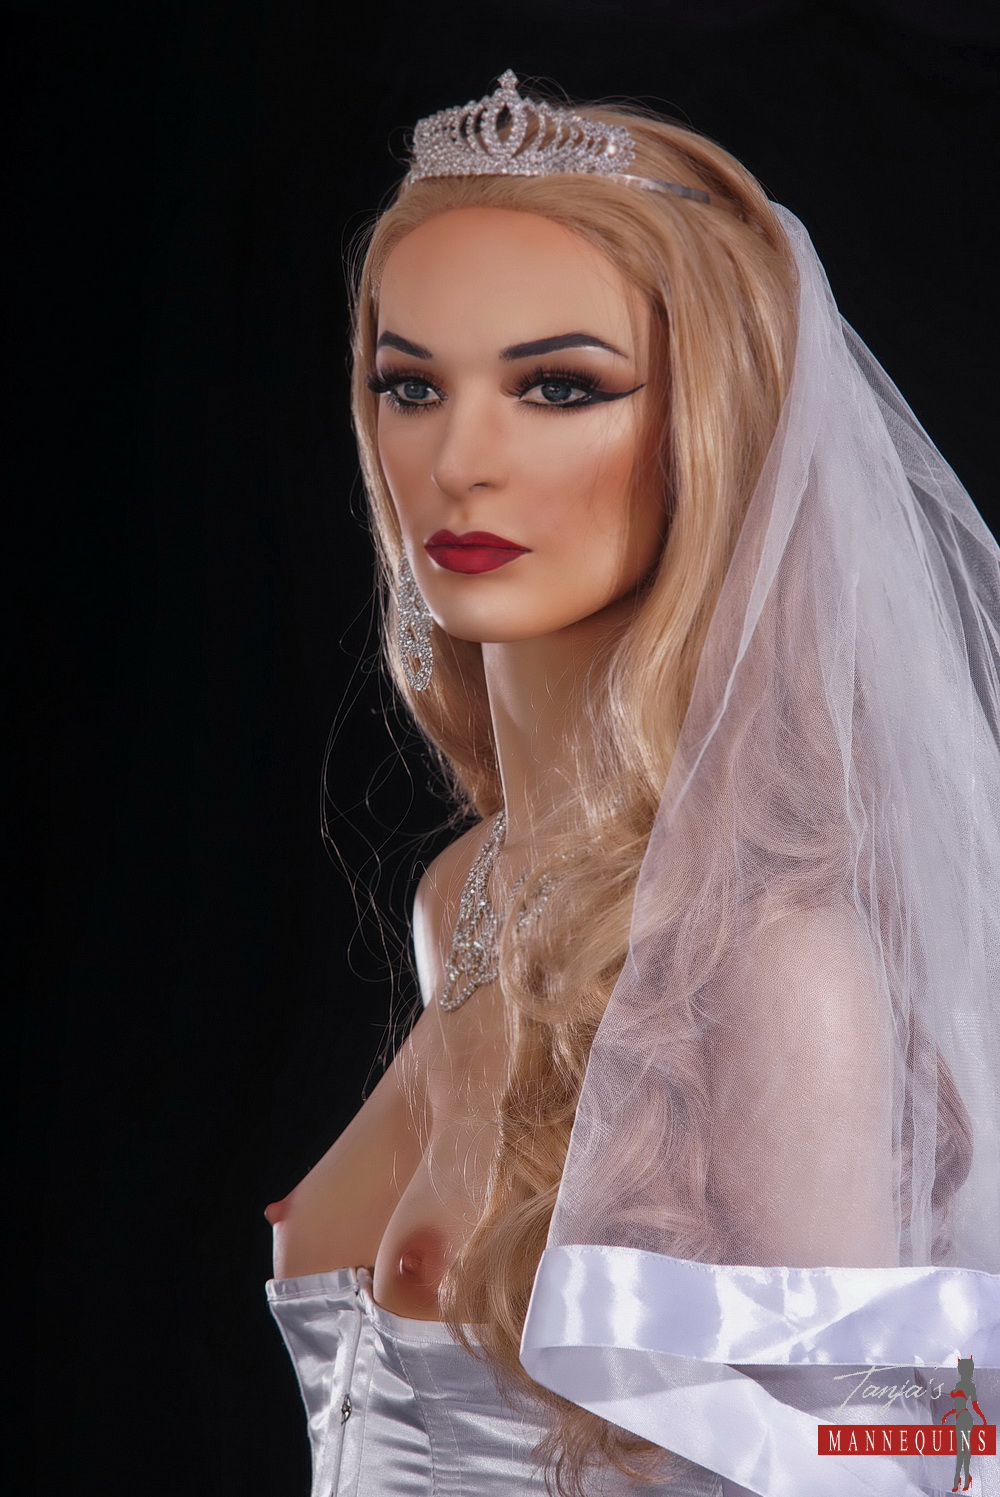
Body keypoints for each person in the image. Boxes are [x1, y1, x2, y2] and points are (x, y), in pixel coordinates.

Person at [265, 73, 1000, 1497]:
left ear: (709, 424)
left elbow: (903, 1455)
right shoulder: (467, 891)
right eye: (411, 385)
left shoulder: (769, 958)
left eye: (560, 387)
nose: (459, 461)